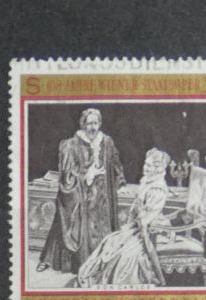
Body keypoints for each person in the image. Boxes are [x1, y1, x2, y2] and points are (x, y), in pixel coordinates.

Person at [37, 107, 124, 277]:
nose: (93, 127)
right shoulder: (71, 145)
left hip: (102, 196)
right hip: (80, 196)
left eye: (96, 123)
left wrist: (121, 183)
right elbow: (67, 176)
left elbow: (116, 165)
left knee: (101, 227)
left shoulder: (107, 142)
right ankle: (52, 260)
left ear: (100, 124)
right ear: (83, 124)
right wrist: (87, 176)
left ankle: (100, 263)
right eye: (89, 123)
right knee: (66, 222)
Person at [73, 146, 171, 289]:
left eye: (149, 166)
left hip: (150, 230)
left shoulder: (158, 189)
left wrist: (135, 230)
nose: (145, 167)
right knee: (110, 241)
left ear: (157, 169)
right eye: (145, 164)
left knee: (125, 255)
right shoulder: (148, 182)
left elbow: (146, 219)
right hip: (138, 226)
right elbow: (137, 209)